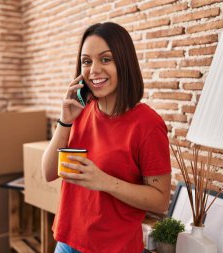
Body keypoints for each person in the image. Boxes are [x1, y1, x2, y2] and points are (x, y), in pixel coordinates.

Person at [42, 22, 171, 253]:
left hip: (115, 247)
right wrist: (65, 120)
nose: (93, 70)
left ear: (124, 62)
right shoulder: (79, 110)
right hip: (67, 242)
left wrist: (104, 182)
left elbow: (160, 200)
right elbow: (49, 172)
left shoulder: (148, 124)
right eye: (86, 61)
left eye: (105, 59)